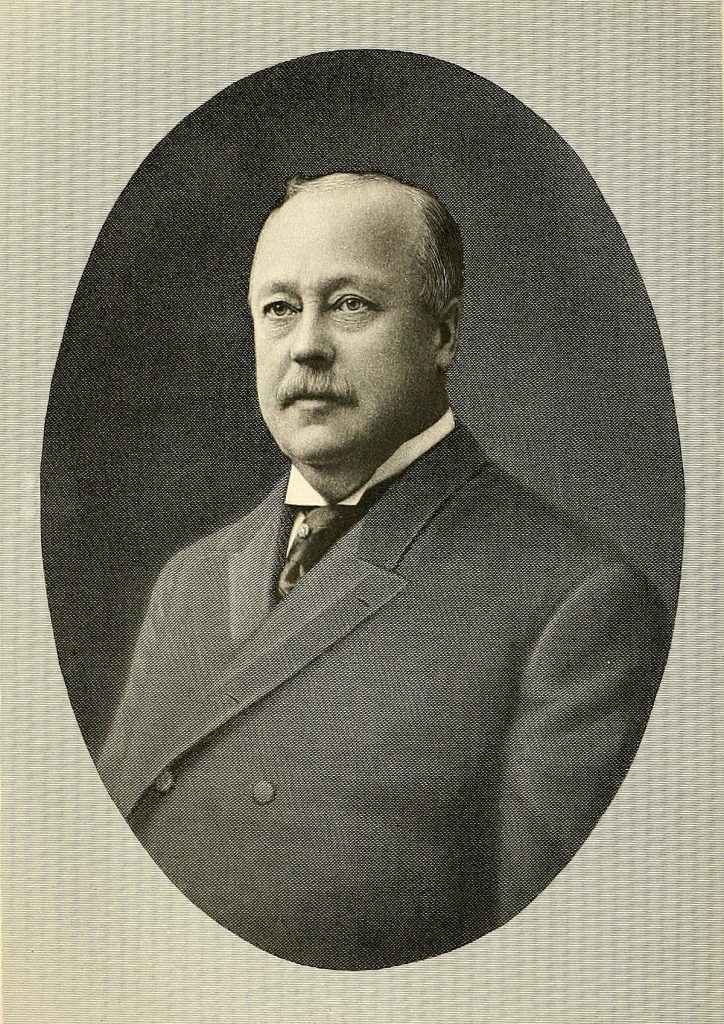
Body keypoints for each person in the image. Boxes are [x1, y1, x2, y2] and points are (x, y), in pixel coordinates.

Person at [98, 172, 672, 970]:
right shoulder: (190, 579)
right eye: (280, 309)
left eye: (350, 304)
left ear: (444, 333)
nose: (306, 345)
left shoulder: (576, 604)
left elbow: (542, 964)